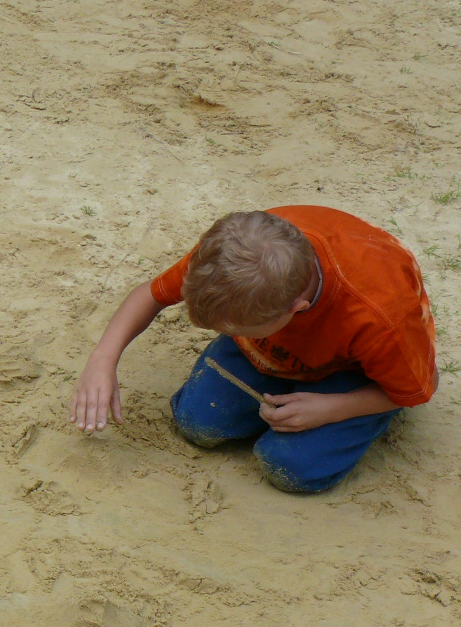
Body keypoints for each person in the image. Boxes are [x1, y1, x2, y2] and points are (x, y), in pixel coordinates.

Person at [71, 206, 436, 493]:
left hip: (351, 373)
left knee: (291, 467)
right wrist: (103, 359)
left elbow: (422, 387)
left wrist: (332, 409)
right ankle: (264, 363)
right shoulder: (233, 254)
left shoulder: (380, 316)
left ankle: (340, 411)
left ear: (296, 309)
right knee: (197, 422)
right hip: (271, 348)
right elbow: (150, 294)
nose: (224, 333)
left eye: (235, 329)